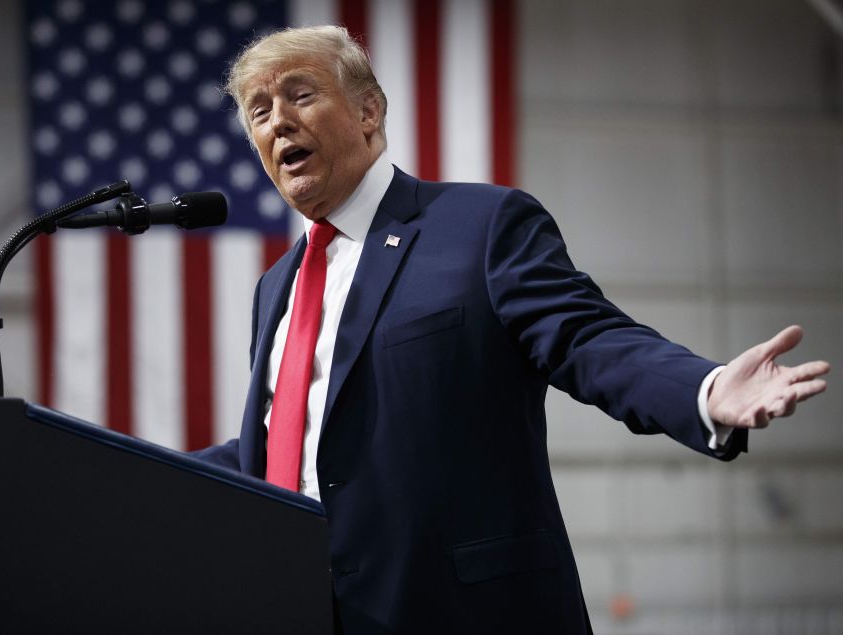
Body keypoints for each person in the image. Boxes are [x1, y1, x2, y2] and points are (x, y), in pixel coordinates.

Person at [193, 25, 831, 633]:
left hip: (464, 614)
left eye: (300, 94)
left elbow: (584, 337)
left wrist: (705, 389)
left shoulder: (479, 226)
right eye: (258, 110)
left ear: (369, 112)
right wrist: (121, 475)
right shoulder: (275, 289)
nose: (278, 120)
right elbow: (288, 447)